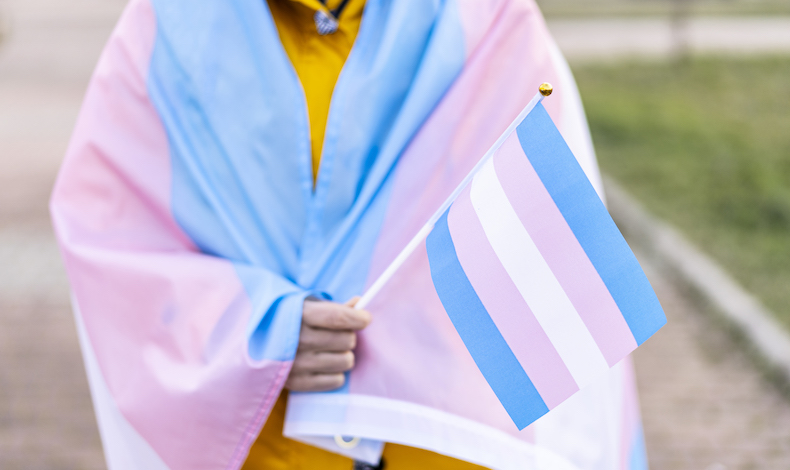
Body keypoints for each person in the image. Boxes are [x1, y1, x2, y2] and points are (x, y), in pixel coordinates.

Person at [51, 0, 648, 469]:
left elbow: (543, 237)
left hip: (438, 447)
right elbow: (109, 240)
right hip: (266, 450)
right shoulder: (164, 29)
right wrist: (259, 328)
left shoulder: (487, 19)